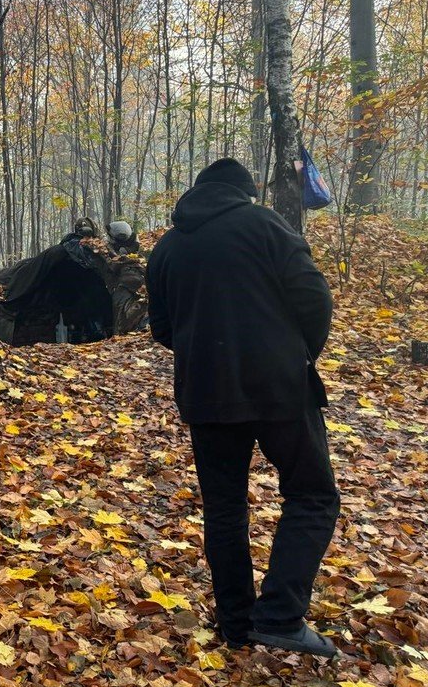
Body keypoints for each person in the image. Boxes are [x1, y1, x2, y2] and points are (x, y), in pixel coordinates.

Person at [145, 158, 339, 658]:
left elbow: (162, 329)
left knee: (225, 509)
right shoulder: (264, 224)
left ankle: (236, 624)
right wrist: (298, 355)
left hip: (206, 394)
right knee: (313, 495)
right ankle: (279, 616)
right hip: (279, 388)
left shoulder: (168, 247)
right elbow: (314, 297)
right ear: (245, 192)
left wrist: (207, 351)